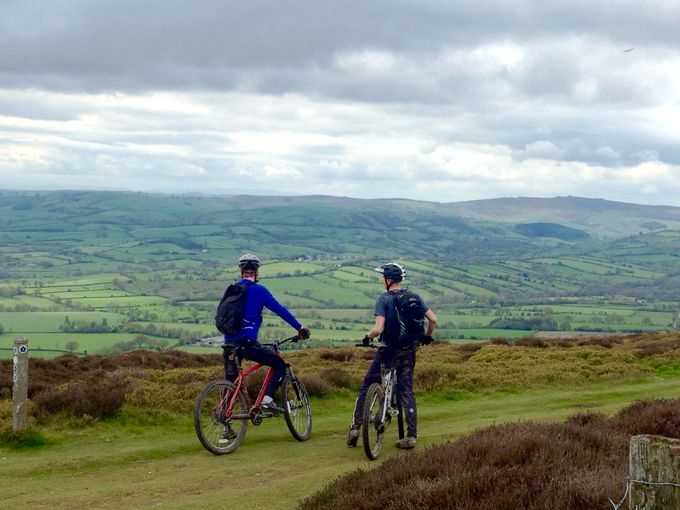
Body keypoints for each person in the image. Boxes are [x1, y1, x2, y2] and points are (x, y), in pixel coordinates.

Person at [347, 262, 437, 449]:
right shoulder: (415, 297)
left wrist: (367, 336)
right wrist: (426, 337)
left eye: (383, 277)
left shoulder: (384, 299)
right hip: (409, 350)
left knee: (367, 385)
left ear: (389, 280)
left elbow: (378, 328)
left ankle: (356, 427)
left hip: (388, 350)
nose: (381, 279)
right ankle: (411, 436)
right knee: (407, 391)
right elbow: (433, 319)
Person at [222, 253, 310, 414]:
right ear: (257, 271)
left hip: (229, 342)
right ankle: (267, 400)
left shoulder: (233, 290)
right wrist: (299, 328)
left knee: (230, 382)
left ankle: (224, 420)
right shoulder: (259, 291)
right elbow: (280, 310)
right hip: (246, 342)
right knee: (279, 365)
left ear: (241, 271)